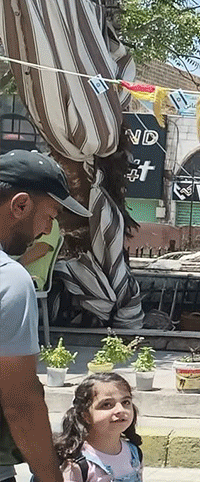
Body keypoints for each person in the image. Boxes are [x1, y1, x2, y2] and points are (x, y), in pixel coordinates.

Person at [0, 149, 91, 482]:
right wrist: (50, 476)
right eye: (50, 216)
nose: (46, 230)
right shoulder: (9, 279)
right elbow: (20, 400)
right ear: (21, 205)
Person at [54, 372, 143, 482]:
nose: (120, 410)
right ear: (85, 415)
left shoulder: (134, 453)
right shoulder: (77, 464)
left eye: (125, 402)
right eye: (107, 404)